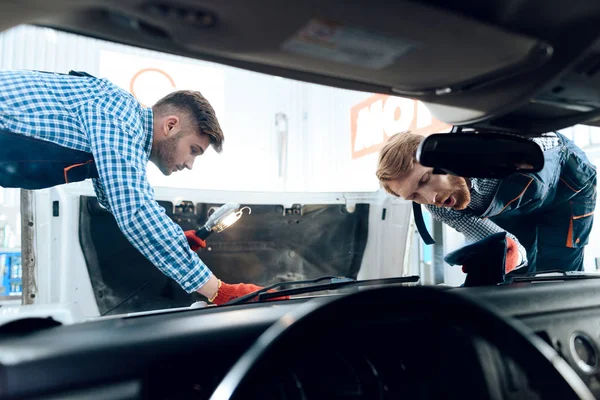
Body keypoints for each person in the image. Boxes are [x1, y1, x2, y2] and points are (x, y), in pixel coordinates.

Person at [0, 69, 280, 305]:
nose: (190, 164)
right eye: (193, 150)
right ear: (170, 125)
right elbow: (134, 210)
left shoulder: (118, 132)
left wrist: (174, 237)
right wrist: (219, 291)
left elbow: (116, 200)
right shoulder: (121, 113)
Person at [376, 130, 597, 274]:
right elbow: (507, 243)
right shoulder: (438, 207)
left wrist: (515, 154)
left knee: (559, 275)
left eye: (425, 179)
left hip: (567, 191)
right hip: (517, 208)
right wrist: (509, 255)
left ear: (443, 157)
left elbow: (550, 143)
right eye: (414, 196)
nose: (430, 198)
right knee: (520, 279)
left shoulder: (489, 149)